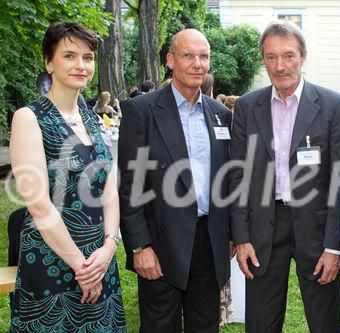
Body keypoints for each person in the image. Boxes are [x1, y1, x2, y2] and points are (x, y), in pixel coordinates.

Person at [229, 21, 340, 333]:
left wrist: (334, 246)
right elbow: (239, 175)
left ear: (303, 57)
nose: (279, 66)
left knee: (325, 323)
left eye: (288, 56)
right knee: (260, 323)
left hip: (317, 228)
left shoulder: (332, 106)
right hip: (264, 228)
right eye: (271, 57)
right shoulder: (246, 107)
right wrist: (241, 237)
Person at [9, 21, 125, 332]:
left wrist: (109, 246)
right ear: (49, 62)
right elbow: (38, 205)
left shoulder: (91, 117)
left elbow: (109, 187)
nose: (81, 65)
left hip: (100, 261)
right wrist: (81, 266)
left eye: (88, 58)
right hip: (54, 263)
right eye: (69, 56)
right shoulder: (29, 118)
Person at [118, 28, 232, 332]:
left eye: (204, 56)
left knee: (205, 325)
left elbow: (229, 180)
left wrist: (231, 234)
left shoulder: (220, 114)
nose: (197, 63)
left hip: (209, 242)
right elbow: (130, 187)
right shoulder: (141, 111)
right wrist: (140, 246)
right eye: (188, 55)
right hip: (161, 243)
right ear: (170, 60)